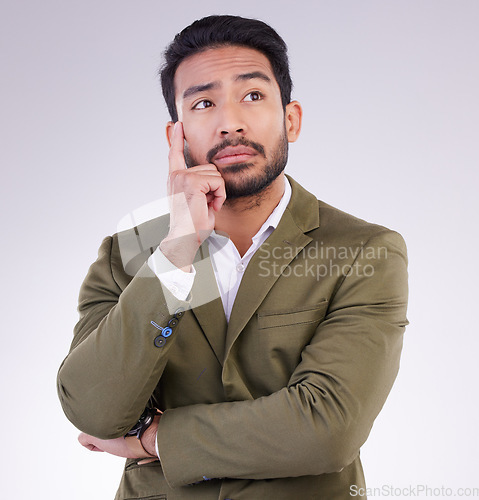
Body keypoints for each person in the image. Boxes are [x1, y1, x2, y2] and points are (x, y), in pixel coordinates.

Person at [57, 15, 408, 500]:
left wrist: (152, 439)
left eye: (253, 96)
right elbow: (93, 409)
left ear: (291, 119)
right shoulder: (128, 252)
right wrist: (178, 248)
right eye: (204, 103)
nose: (230, 122)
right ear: (174, 136)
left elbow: (328, 428)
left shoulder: (364, 251)